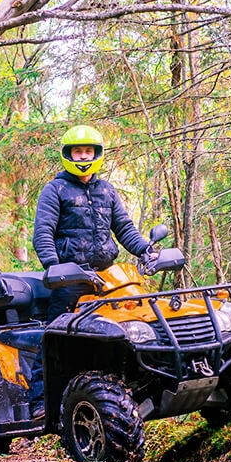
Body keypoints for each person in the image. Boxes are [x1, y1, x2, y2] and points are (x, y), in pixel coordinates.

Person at [26, 125, 153, 418]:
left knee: (134, 323)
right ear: (68, 154)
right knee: (55, 335)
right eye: (77, 151)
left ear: (96, 154)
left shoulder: (106, 190)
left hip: (108, 277)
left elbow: (124, 228)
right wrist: (56, 267)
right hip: (70, 278)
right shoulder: (55, 190)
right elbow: (43, 233)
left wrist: (146, 250)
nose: (83, 156)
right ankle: (38, 400)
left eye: (88, 151)